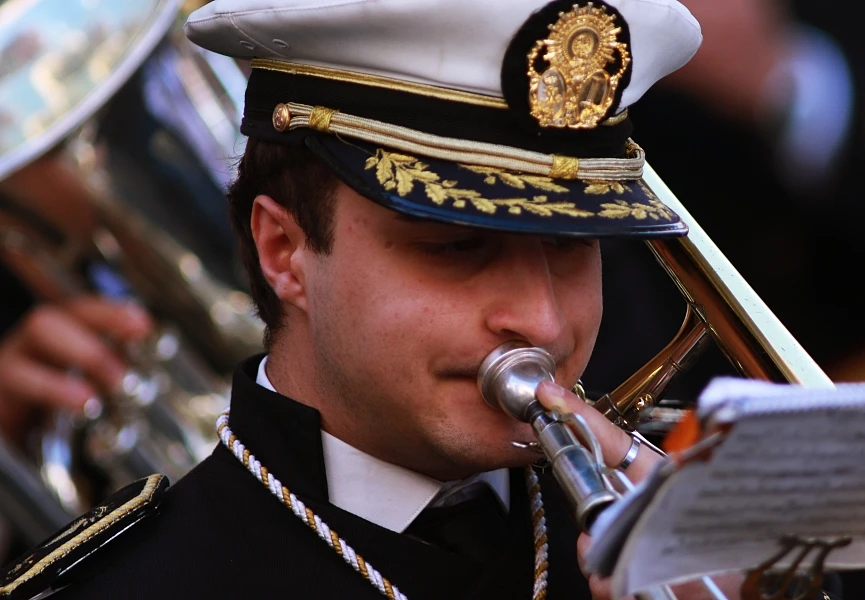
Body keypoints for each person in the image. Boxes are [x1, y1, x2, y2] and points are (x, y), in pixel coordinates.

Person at [0, 1, 807, 599]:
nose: (543, 322)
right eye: (457, 247)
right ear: (283, 251)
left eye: (571, 247)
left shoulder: (723, 551)